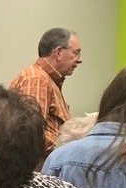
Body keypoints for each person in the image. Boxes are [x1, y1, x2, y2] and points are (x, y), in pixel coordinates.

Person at [8, 28, 83, 157]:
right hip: (40, 169)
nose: (79, 59)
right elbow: (32, 133)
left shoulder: (44, 79)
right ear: (58, 52)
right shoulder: (37, 80)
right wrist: (70, 150)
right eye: (75, 53)